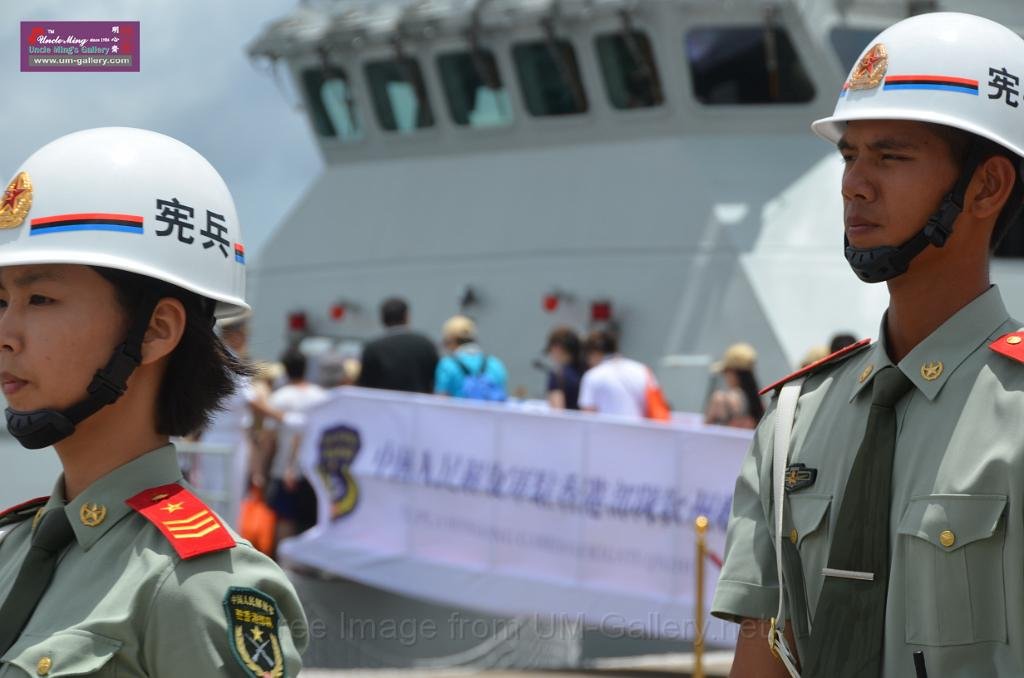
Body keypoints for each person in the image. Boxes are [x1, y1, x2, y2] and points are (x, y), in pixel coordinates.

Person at [712, 14, 1024, 678]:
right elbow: (758, 657)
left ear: (987, 186)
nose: (854, 184)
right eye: (850, 155)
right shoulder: (792, 423)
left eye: (891, 156)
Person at [0, 127, 307, 675]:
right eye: (1, 301)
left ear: (155, 331)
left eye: (39, 298)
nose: (6, 332)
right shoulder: (13, 546)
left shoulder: (199, 586)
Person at [265, 349, 326, 556]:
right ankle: (311, 559)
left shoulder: (279, 398)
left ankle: (285, 561)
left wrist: (264, 468)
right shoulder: (321, 396)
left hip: (284, 468)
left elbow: (269, 439)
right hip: (315, 468)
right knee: (314, 517)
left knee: (285, 518)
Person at [356, 297, 438, 393]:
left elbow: (365, 385)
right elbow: (435, 380)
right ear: (406, 316)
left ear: (382, 318)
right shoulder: (425, 344)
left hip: (383, 405)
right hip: (418, 405)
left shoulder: (372, 348)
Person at [578, 329, 652, 419]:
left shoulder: (592, 375)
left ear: (594, 353)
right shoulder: (642, 370)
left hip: (606, 432)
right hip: (642, 432)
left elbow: (587, 416)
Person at [435, 315, 508, 401]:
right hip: (488, 414)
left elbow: (441, 400)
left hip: (459, 414)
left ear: (451, 341)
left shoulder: (447, 365)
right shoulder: (496, 364)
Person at [704, 342, 764, 429]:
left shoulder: (719, 398)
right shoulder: (760, 402)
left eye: (725, 371)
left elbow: (705, 430)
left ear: (733, 372)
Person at [544, 326, 584, 410]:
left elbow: (557, 411)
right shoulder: (587, 372)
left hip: (569, 422)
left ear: (557, 348)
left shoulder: (557, 375)